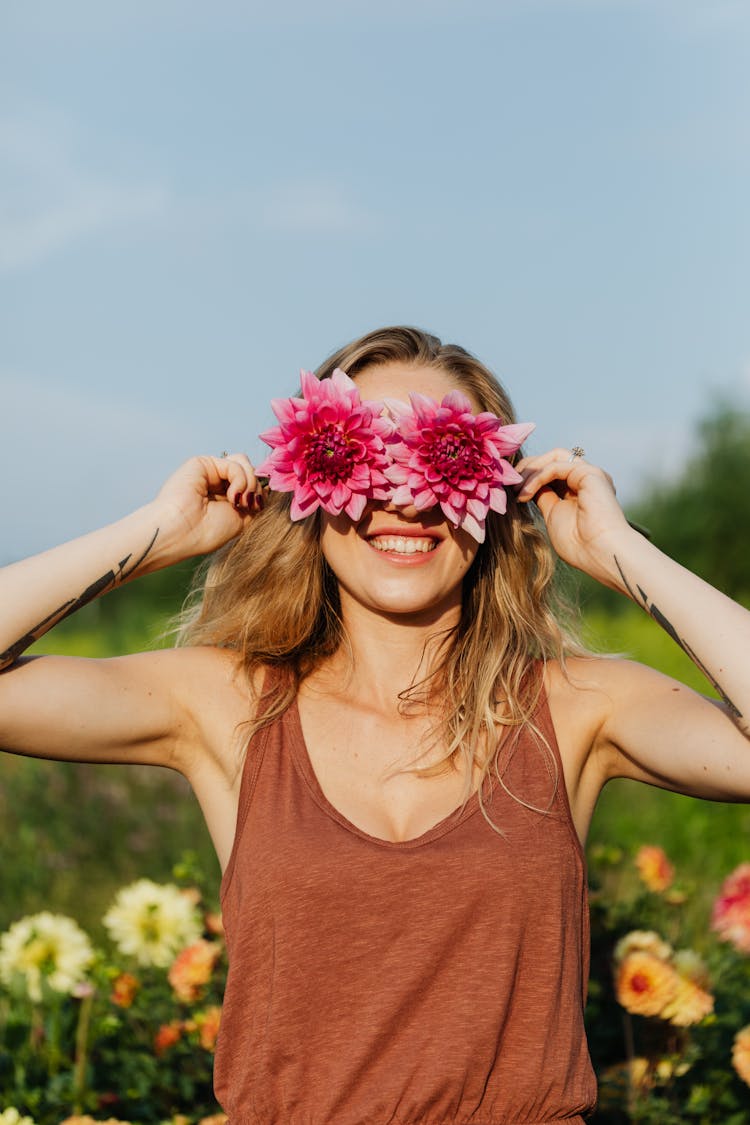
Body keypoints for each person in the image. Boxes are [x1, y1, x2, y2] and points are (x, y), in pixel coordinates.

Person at [2, 324, 750, 1124]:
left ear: (497, 489)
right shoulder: (229, 704)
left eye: (443, 454)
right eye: (359, 451)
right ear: (304, 479)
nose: (406, 495)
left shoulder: (577, 707)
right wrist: (156, 535)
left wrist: (617, 547)